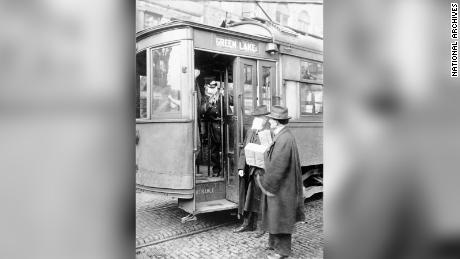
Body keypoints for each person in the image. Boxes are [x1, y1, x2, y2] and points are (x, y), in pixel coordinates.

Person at [256, 106, 305, 259]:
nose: (269, 121)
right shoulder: (283, 135)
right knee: (275, 215)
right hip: (282, 186)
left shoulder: (284, 138)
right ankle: (273, 244)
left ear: (277, 122)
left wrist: (265, 182)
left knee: (281, 217)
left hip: (281, 187)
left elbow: (278, 166)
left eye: (271, 119)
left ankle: (282, 251)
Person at [233, 105, 270, 237]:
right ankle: (247, 224)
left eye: (259, 117)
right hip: (249, 169)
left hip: (261, 171)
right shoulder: (251, 131)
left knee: (260, 199)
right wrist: (241, 167)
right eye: (256, 117)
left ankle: (261, 227)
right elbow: (244, 149)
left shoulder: (268, 132)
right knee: (248, 198)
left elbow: (270, 153)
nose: (256, 119)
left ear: (265, 118)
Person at [202, 81, 222, 177]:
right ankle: (216, 169)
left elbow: (232, 102)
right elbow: (201, 110)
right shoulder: (205, 98)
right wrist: (209, 103)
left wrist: (224, 94)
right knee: (214, 151)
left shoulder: (221, 96)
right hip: (213, 127)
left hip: (223, 126)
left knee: (227, 149)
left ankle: (228, 169)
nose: (212, 89)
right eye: (211, 87)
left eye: (214, 87)